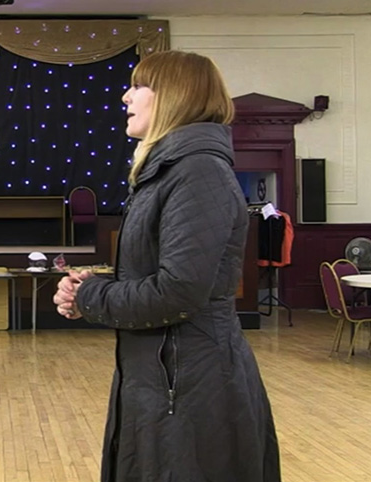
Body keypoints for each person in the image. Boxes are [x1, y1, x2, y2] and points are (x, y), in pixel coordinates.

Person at [53, 50, 281, 482]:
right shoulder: (170, 171)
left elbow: (177, 293)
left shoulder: (197, 172)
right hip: (165, 381)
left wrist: (90, 295)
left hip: (194, 390)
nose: (126, 96)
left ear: (174, 96)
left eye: (139, 86)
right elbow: (157, 275)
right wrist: (92, 288)